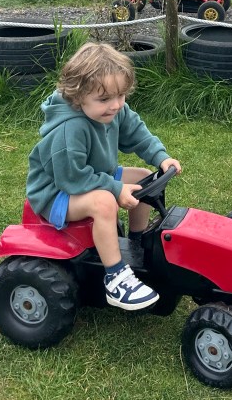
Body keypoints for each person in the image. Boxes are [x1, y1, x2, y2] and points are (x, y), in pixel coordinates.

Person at [26, 41, 181, 312]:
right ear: (78, 96)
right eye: (105, 99)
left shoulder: (114, 109)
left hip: (92, 175)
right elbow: (72, 178)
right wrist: (114, 188)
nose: (115, 105)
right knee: (104, 202)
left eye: (121, 96)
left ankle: (136, 244)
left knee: (143, 177)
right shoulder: (69, 129)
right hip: (57, 192)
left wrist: (160, 157)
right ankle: (116, 278)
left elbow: (137, 132)